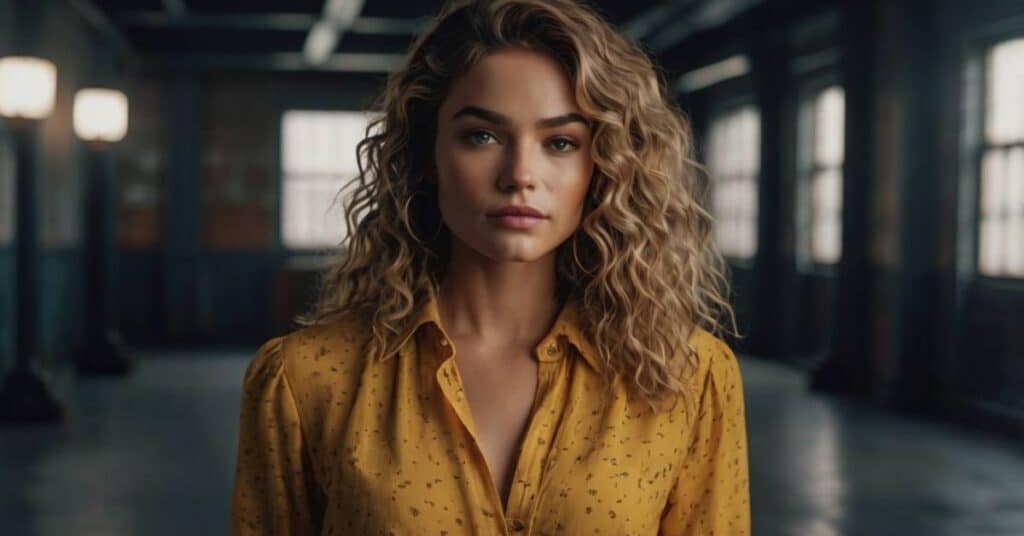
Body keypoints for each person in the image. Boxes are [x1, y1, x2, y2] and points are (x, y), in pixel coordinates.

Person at [230, 0, 750, 534]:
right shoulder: (305, 378)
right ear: (428, 157)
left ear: (603, 167)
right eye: (482, 135)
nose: (521, 174)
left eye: (561, 142)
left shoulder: (688, 376)